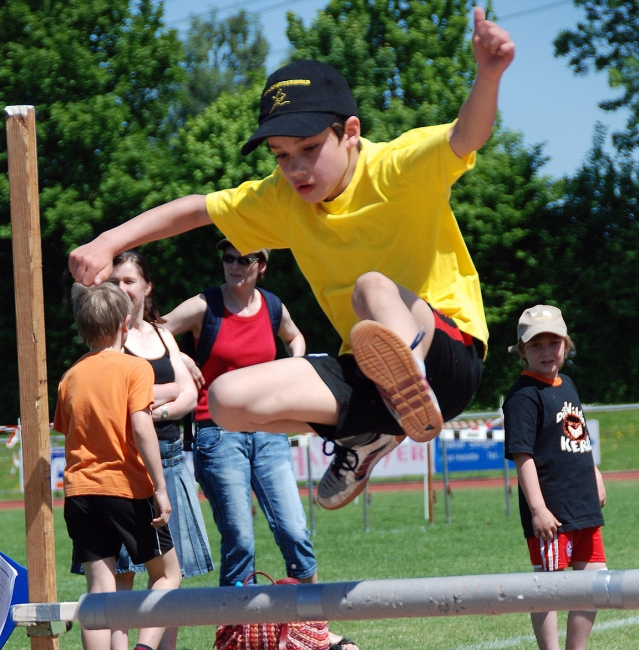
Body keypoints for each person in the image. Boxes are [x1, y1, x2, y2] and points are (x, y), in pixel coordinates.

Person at [68, 7, 515, 511]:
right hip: (368, 369)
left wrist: (488, 74)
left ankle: (403, 382)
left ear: (349, 131)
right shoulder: (282, 200)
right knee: (226, 400)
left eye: (308, 148)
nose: (296, 169)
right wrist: (108, 241)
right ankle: (368, 432)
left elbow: (465, 136)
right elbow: (196, 210)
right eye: (281, 155)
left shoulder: (396, 167)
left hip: (448, 354)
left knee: (371, 286)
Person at [162, 239, 358, 650]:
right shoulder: (205, 305)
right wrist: (186, 361)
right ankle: (234, 635)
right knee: (240, 538)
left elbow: (296, 337)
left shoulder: (272, 306)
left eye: (244, 259)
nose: (234, 265)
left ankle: (315, 631)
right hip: (217, 433)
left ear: (261, 266)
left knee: (294, 530)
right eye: (228, 258)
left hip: (269, 431)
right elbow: (159, 329)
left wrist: (294, 368)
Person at [54, 282, 182, 650]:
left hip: (80, 493)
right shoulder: (135, 368)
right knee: (168, 574)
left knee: (99, 592)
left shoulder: (70, 377)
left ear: (82, 329)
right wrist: (159, 488)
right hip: (126, 489)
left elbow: (68, 430)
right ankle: (144, 647)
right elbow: (142, 426)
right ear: (125, 324)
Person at [101, 251, 214, 650]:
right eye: (114, 281)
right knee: (125, 574)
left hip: (172, 460)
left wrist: (155, 406)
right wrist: (164, 396)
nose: (121, 288)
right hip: (129, 465)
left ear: (146, 287)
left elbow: (190, 392)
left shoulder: (162, 333)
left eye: (129, 281)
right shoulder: (109, 337)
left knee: (171, 572)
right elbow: (114, 397)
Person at [503, 305, 607, 650]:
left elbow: (576, 436)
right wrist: (537, 509)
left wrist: (594, 473)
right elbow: (523, 455)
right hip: (553, 512)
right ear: (522, 351)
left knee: (593, 581)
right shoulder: (523, 396)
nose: (546, 352)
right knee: (549, 586)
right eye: (536, 345)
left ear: (567, 344)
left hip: (584, 503)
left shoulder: (569, 384)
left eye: (553, 343)